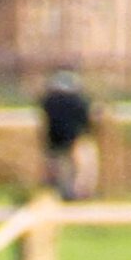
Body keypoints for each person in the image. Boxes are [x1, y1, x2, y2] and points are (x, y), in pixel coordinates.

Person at [38, 70, 92, 200]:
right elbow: (84, 119)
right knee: (75, 167)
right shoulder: (77, 101)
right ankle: (74, 192)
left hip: (54, 140)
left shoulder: (49, 101)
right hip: (73, 139)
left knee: (59, 167)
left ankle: (61, 191)